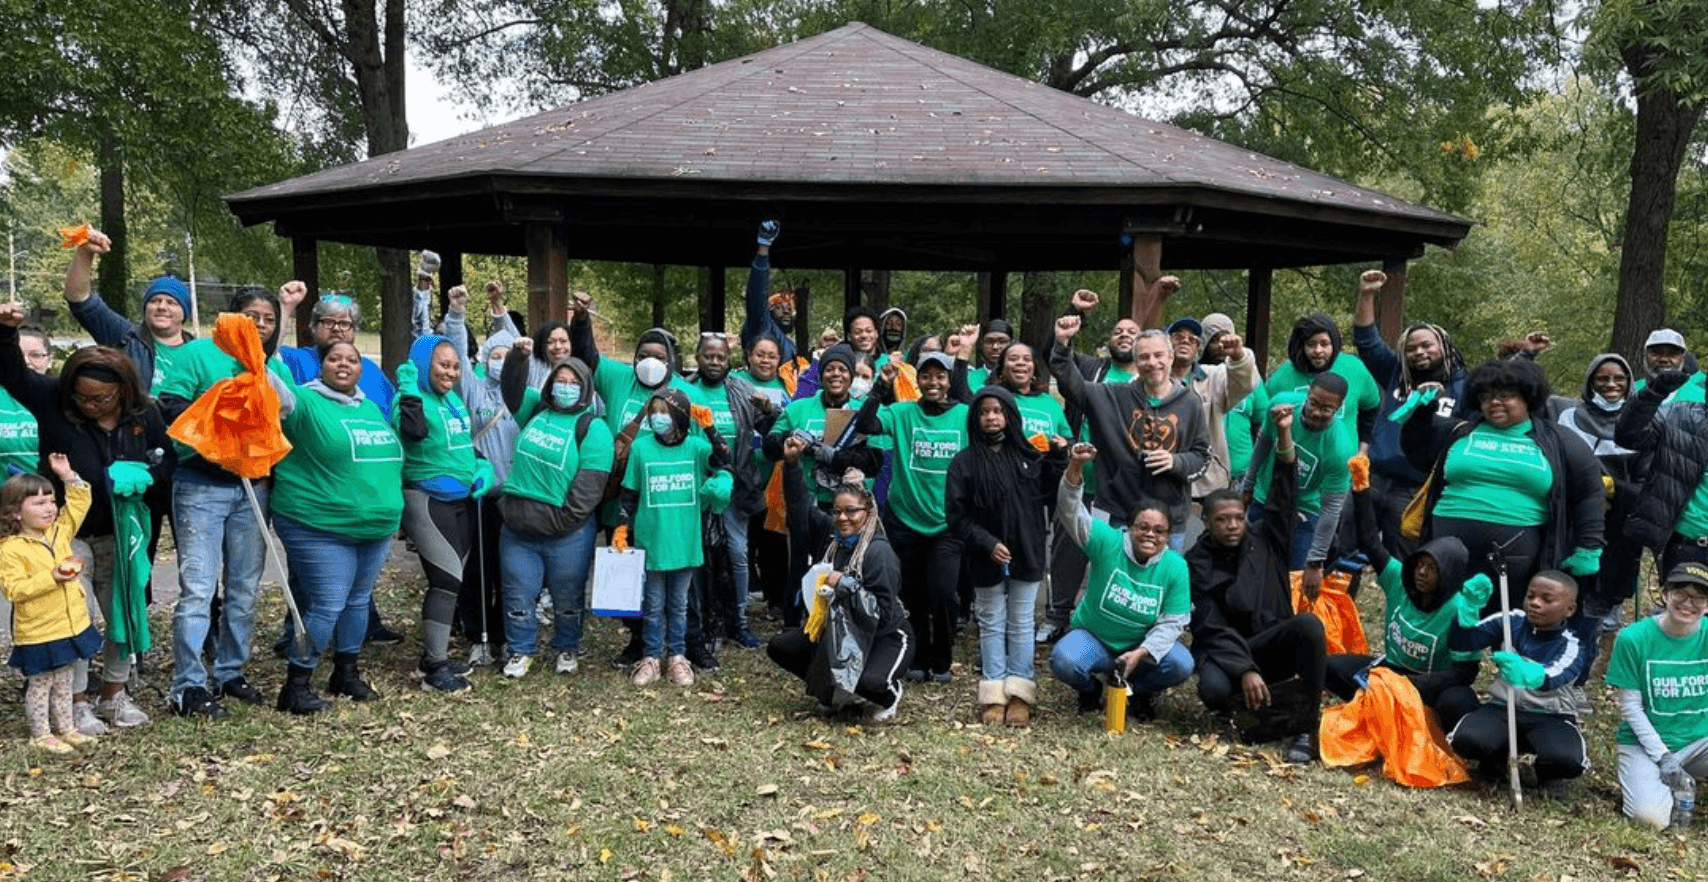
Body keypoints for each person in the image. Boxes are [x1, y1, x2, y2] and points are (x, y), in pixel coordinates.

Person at [0, 312, 174, 732]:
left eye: (102, 399)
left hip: (122, 532)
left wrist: (143, 477)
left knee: (123, 613)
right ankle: (75, 702)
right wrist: (5, 332)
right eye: (83, 398)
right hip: (66, 532)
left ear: (123, 391)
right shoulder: (55, 401)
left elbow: (168, 462)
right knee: (72, 613)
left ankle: (114, 694)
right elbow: (12, 373)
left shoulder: (143, 414)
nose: (90, 405)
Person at [156, 287, 286, 719]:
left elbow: (282, 413)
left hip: (252, 486)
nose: (261, 324)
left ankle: (231, 671)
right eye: (253, 315)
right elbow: (170, 406)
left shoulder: (265, 363)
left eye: (269, 318)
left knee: (244, 588)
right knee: (198, 589)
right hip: (201, 486)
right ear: (232, 315)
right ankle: (188, 685)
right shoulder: (197, 354)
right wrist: (221, 422)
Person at [1401, 358, 1604, 612]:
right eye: (1486, 396)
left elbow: (1589, 492)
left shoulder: (1560, 441)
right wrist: (1423, 410)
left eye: (1505, 396)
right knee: (1444, 621)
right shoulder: (1459, 432)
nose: (1494, 402)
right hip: (1445, 552)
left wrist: (1589, 547)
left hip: (1515, 558)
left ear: (1528, 397)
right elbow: (1415, 449)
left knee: (1504, 624)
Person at [269, 342, 405, 714]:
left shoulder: (369, 407)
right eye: (334, 358)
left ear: (362, 369)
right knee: (328, 604)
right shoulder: (303, 401)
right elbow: (269, 382)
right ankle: (296, 685)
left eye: (352, 359)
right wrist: (268, 336)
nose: (344, 364)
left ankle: (346, 672)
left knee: (358, 600)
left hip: (375, 527)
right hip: (319, 523)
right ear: (321, 365)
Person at [1188, 404, 1327, 764]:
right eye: (1222, 520)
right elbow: (1210, 626)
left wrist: (1284, 434)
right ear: (1207, 523)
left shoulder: (1268, 538)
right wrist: (1244, 668)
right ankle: (1251, 701)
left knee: (1309, 626)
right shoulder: (1196, 562)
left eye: (1238, 517)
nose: (1233, 525)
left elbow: (1283, 495)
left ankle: (1306, 726)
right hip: (1231, 649)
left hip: (1272, 643)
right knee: (1214, 689)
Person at [274, 281, 401, 647]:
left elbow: (388, 416)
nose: (337, 329)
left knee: (357, 578)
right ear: (314, 327)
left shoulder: (370, 372)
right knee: (314, 575)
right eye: (328, 322)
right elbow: (266, 361)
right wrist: (285, 308)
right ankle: (298, 636)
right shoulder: (297, 361)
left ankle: (361, 631)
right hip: (312, 490)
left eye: (344, 323)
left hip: (364, 493)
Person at [1324, 457, 1487, 734]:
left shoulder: (1460, 609)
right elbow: (1371, 543)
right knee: (1329, 666)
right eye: (1420, 564)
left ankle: (1430, 728)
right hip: (1393, 670)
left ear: (1448, 575)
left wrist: (1414, 686)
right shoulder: (1400, 579)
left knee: (1460, 701)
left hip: (1429, 684)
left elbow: (1465, 672)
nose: (1421, 573)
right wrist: (1361, 490)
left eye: (1432, 569)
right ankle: (1378, 712)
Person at [767, 434, 912, 721]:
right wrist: (792, 464)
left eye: (851, 511)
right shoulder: (832, 538)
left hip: (884, 634)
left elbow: (882, 614)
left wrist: (845, 584)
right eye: (838, 512)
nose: (843, 518)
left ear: (868, 513)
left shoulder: (878, 552)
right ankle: (838, 689)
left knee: (869, 682)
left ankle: (888, 693)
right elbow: (799, 509)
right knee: (781, 647)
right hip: (840, 627)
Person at [1050, 443, 1194, 720]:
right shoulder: (1108, 541)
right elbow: (1071, 511)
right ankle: (1090, 689)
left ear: (1168, 536)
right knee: (1064, 660)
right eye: (1143, 527)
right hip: (1095, 639)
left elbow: (1174, 621)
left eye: (1159, 531)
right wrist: (1075, 467)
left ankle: (1137, 692)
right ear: (1130, 527)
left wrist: (1142, 652)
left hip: (1140, 648)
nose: (1150, 535)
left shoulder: (1176, 566)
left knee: (1181, 664)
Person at [946, 387, 1061, 725]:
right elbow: (957, 517)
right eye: (984, 412)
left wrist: (1058, 458)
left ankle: (1020, 693)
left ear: (1010, 416)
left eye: (997, 411)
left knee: (1022, 621)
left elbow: (1053, 495)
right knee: (991, 621)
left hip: (1027, 550)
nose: (991, 418)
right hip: (985, 555)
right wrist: (986, 542)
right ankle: (994, 693)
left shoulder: (1031, 455)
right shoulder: (964, 462)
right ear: (975, 419)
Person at [495, 353, 613, 676]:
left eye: (574, 383)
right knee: (518, 593)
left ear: (586, 389)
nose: (566, 387)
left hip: (568, 533)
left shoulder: (593, 429)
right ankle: (521, 649)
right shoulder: (534, 410)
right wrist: (518, 358)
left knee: (568, 597)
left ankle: (567, 646)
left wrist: (560, 523)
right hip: (517, 528)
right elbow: (511, 388)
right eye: (560, 380)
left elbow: (588, 489)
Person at [616, 388, 733, 687]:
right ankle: (651, 656)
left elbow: (724, 459)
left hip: (684, 541)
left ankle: (678, 656)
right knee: (653, 605)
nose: (658, 418)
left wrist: (710, 428)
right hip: (652, 540)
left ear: (680, 416)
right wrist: (622, 526)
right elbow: (629, 492)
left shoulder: (696, 447)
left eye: (665, 412)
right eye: (653, 412)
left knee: (680, 604)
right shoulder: (641, 448)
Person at [393, 333, 489, 692]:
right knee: (446, 580)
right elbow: (414, 432)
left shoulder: (452, 400)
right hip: (427, 498)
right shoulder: (409, 398)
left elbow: (463, 444)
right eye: (442, 365)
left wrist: (481, 465)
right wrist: (409, 392)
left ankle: (433, 656)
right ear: (422, 364)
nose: (450, 373)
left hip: (460, 500)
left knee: (453, 580)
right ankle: (435, 668)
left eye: (455, 366)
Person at [1445, 570, 1590, 800]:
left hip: (1550, 716)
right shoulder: (1510, 621)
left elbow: (1556, 676)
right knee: (1467, 740)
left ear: (1569, 609)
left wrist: (1528, 672)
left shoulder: (1573, 645)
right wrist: (1468, 611)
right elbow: (1461, 642)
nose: (1535, 603)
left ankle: (1548, 773)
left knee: (1566, 759)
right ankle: (1495, 759)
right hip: (1502, 708)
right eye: (1531, 596)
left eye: (1547, 599)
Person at [1352, 269, 1467, 559]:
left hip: (1416, 489)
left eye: (1427, 345)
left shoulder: (1465, 386)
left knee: (1405, 561)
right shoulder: (1396, 373)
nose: (1419, 352)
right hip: (1374, 478)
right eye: (1412, 348)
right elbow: (1366, 340)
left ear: (1444, 347)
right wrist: (1367, 294)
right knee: (1347, 550)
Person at [444, 283, 523, 668]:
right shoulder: (475, 391)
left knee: (510, 571)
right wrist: (456, 314)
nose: (500, 361)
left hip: (514, 498)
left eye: (506, 357)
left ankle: (506, 636)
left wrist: (499, 309)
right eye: (494, 355)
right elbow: (458, 352)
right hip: (479, 496)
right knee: (477, 570)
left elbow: (521, 346)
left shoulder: (524, 394)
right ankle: (478, 636)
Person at [2, 455, 98, 754]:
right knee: (41, 684)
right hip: (39, 631)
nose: (49, 508)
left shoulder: (59, 531)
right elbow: (14, 590)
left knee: (65, 680)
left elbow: (79, 502)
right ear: (15, 513)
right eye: (39, 503)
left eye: (52, 501)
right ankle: (41, 734)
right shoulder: (10, 549)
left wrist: (68, 476)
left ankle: (67, 728)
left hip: (70, 625)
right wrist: (53, 578)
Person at [1607, 562, 1708, 829]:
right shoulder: (1633, 638)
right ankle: (1658, 786)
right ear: (1665, 594)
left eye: (1699, 597)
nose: (1688, 603)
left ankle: (1681, 780)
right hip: (1646, 745)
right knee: (1649, 820)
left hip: (1699, 742)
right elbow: (1631, 707)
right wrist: (1663, 756)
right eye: (1681, 593)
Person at [687, 332, 767, 651]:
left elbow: (769, 425)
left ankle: (739, 620)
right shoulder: (686, 390)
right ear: (698, 357)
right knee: (701, 555)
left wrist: (770, 409)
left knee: (737, 553)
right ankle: (705, 621)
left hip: (737, 485)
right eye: (708, 356)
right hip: (698, 486)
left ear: (729, 360)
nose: (715, 361)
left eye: (721, 357)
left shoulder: (742, 390)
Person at [1239, 376, 1356, 591]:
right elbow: (1263, 443)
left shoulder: (1339, 448)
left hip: (1304, 510)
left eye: (1326, 409)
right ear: (1307, 394)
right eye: (1313, 403)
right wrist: (1248, 485)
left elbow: (1331, 507)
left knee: (1293, 581)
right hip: (1264, 497)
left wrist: (1315, 561)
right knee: (1252, 568)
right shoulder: (1280, 405)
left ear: (1339, 407)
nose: (1316, 412)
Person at [1557, 354, 1643, 630]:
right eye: (1602, 378)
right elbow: (1561, 461)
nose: (1611, 384)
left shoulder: (1642, 421)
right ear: (1591, 382)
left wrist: (1611, 489)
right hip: (1575, 512)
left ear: (1629, 382)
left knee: (1612, 580)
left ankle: (1607, 627)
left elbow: (1645, 475)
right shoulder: (1569, 416)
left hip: (1621, 517)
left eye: (1619, 378)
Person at [62, 228, 193, 394]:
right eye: (154, 301)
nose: (161, 307)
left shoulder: (198, 352)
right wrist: (85, 252)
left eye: (171, 303)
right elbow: (79, 298)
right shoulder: (126, 337)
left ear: (184, 312)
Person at [1616, 360, 1708, 577]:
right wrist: (1653, 393)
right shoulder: (1680, 415)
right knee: (1680, 602)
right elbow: (1628, 436)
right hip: (1685, 544)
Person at [1164, 315, 1258, 500]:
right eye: (1178, 336)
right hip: (1163, 480)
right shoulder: (1153, 380)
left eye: (1192, 339)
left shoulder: (1214, 377)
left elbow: (1244, 383)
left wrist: (1238, 356)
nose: (1185, 340)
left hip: (1206, 483)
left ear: (1198, 348)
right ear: (1166, 344)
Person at [1263, 312, 1380, 448]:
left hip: (1344, 457)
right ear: (1301, 345)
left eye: (1324, 344)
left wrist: (1364, 447)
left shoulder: (1354, 368)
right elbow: (1262, 418)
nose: (1318, 350)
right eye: (1311, 344)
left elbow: (1371, 409)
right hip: (1294, 456)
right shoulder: (1283, 375)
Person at [738, 220, 806, 369]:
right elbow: (756, 294)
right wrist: (763, 250)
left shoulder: (790, 345)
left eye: (790, 307)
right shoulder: (762, 326)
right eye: (779, 306)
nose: (787, 310)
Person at [1632, 328, 1705, 403]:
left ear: (1683, 358)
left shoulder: (1700, 394)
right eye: (1656, 353)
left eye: (1672, 354)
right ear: (1645, 356)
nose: (1664, 359)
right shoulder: (1632, 390)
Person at [962, 319, 1014, 390]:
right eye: (989, 342)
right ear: (982, 344)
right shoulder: (969, 376)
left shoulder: (1020, 377)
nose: (995, 347)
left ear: (1012, 344)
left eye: (1002, 342)